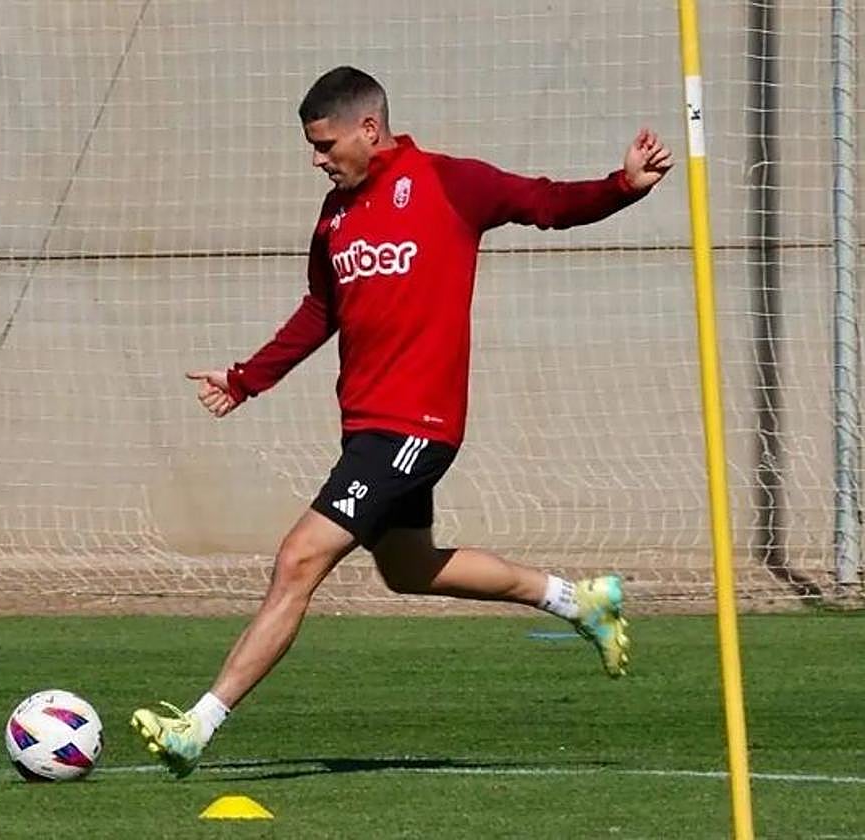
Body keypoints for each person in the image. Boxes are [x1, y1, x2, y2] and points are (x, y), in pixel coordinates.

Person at [131, 66, 673, 778]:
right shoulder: (334, 216)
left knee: (297, 559)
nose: (317, 159)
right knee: (408, 568)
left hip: (418, 425)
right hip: (368, 429)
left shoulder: (450, 183)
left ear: (368, 127)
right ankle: (580, 601)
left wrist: (620, 186)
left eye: (325, 144)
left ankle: (198, 727)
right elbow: (320, 311)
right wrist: (245, 379)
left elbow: (543, 202)